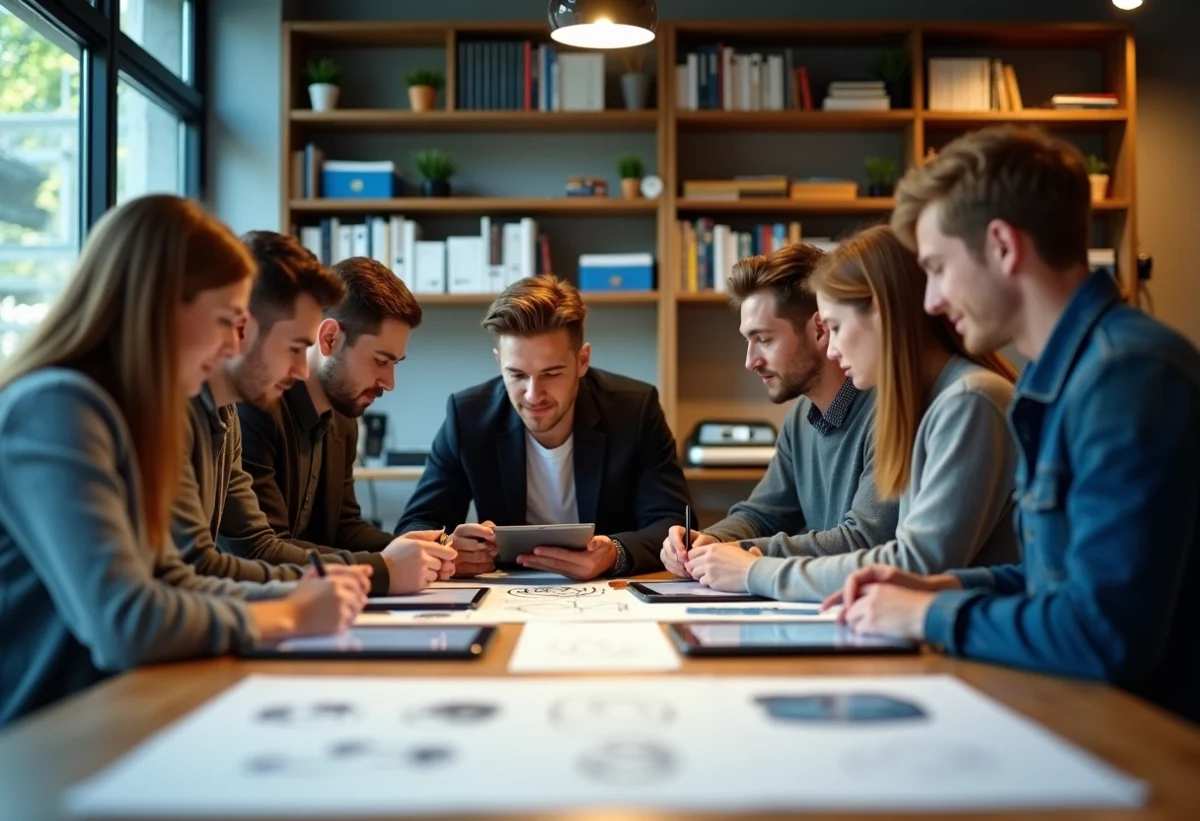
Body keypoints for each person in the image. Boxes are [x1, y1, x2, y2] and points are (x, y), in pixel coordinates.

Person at [826, 125, 1200, 723]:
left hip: (1148, 747)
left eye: (939, 268)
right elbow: (1054, 576)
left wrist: (926, 617)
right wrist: (943, 587)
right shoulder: (1056, 381)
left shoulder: (1127, 377)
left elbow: (1105, 634)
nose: (931, 302)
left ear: (1002, 246)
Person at [0, 195, 368, 727]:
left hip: (114, 715)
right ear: (161, 302)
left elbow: (171, 578)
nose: (229, 346)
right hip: (48, 740)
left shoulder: (136, 412)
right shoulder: (57, 408)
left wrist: (303, 595)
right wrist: (287, 612)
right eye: (224, 321)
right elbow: (124, 622)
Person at [687, 224, 1020, 600]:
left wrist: (754, 569)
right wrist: (717, 545)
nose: (831, 349)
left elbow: (911, 564)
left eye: (836, 327)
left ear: (881, 314)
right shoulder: (931, 403)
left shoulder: (967, 401)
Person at [174, 234, 446, 596]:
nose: (303, 370)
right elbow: (237, 557)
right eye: (296, 347)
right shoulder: (238, 408)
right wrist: (380, 570)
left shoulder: (227, 417)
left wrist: (415, 553)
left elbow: (336, 530)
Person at [395, 275, 691, 580]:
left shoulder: (635, 410)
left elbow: (672, 523)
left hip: (608, 589)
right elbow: (417, 524)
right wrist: (449, 548)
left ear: (582, 361)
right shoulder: (468, 415)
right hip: (506, 591)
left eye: (551, 373)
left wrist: (614, 553)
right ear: (499, 363)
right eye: (517, 374)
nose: (533, 395)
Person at [659, 244, 899, 580]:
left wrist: (737, 555)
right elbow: (762, 514)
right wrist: (709, 540)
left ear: (820, 330)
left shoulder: (891, 412)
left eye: (764, 339)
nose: (750, 361)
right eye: (748, 340)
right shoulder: (801, 418)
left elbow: (866, 540)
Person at [237, 256, 455, 589]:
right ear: (329, 339)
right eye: (380, 360)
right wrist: (384, 568)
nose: (389, 381)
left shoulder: (343, 418)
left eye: (395, 363)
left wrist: (432, 552)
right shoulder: (254, 408)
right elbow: (260, 551)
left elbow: (344, 529)